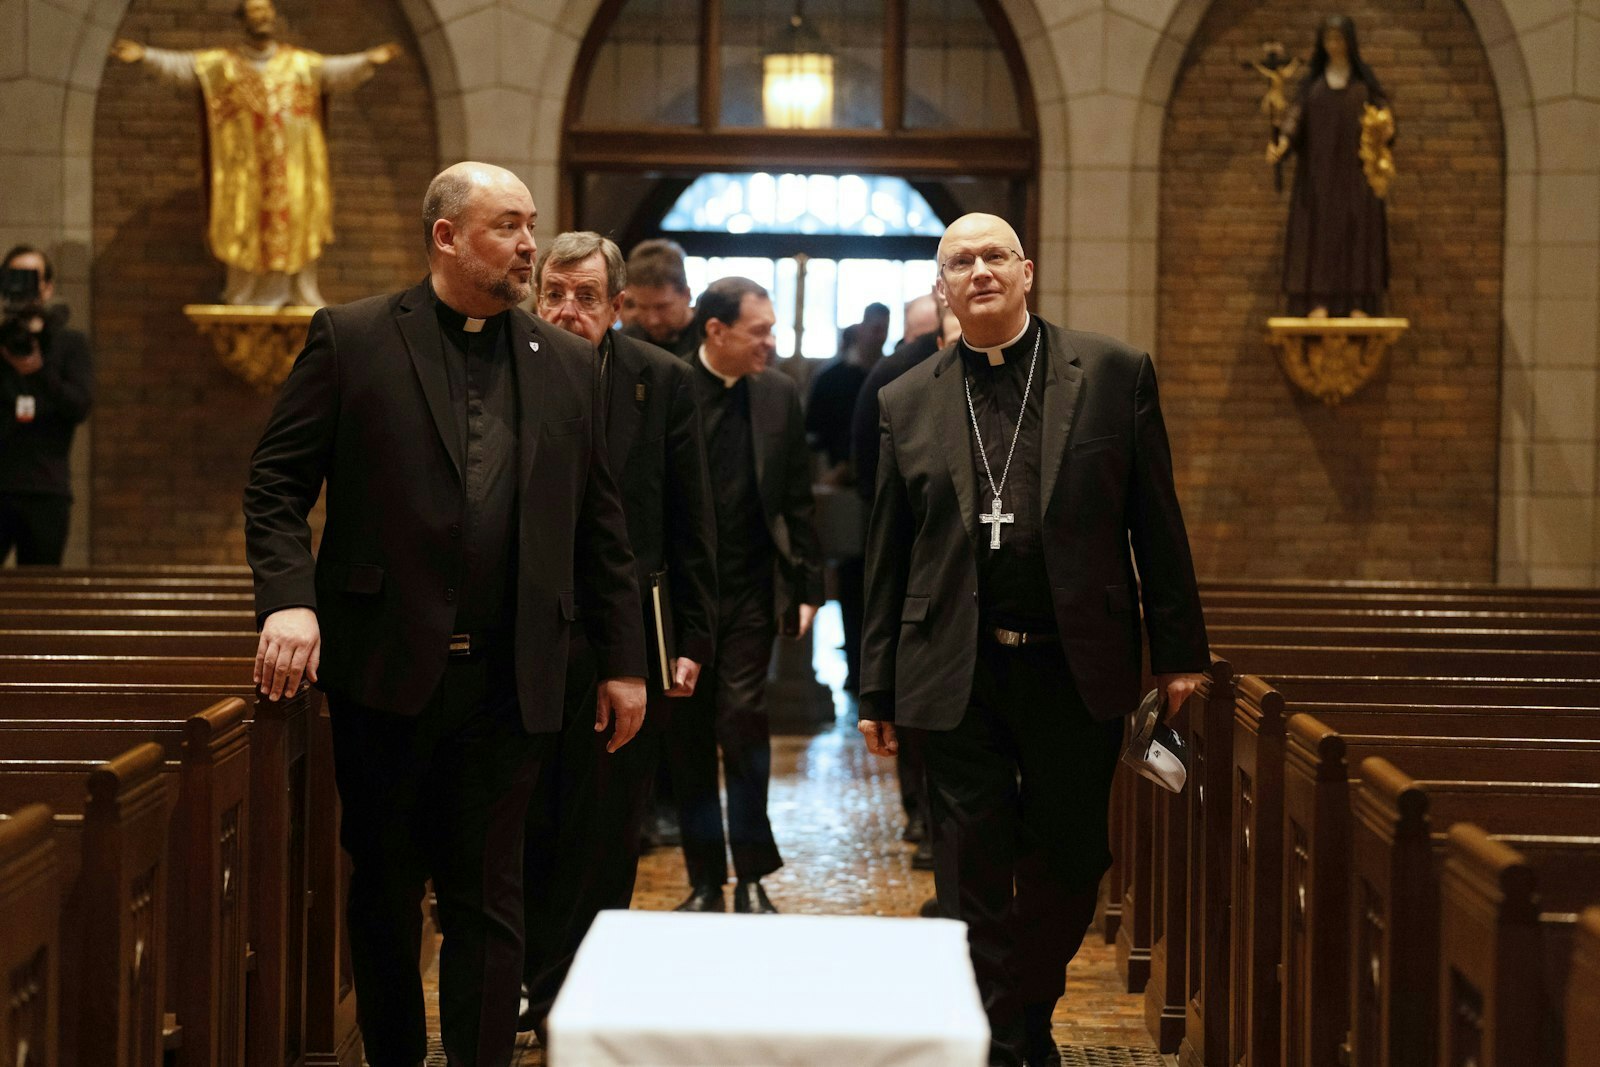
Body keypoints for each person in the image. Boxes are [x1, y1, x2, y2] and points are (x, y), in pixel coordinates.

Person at [243, 162, 647, 1067]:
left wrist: (625, 662)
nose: (529, 244)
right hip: (385, 670)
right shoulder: (352, 340)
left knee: (489, 894)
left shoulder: (569, 364)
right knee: (385, 890)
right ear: (447, 236)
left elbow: (601, 524)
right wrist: (290, 602)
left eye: (530, 225)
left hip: (513, 679)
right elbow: (274, 487)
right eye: (507, 226)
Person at [858, 213, 1208, 1067]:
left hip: (1072, 659)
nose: (978, 271)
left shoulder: (1112, 374)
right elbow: (887, 552)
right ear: (943, 286)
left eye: (994, 256)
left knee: (1072, 855)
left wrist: (1180, 651)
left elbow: (1155, 521)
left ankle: (1023, 1003)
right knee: (969, 871)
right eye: (960, 261)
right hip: (954, 665)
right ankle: (1007, 1041)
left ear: (1027, 272)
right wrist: (874, 687)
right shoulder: (904, 400)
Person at [520, 232, 717, 1034]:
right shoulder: (507, 364)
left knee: (606, 824)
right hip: (527, 634)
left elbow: (689, 517)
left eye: (587, 297)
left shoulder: (658, 381)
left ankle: (579, 983)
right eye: (555, 294)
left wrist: (692, 639)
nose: (569, 311)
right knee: (529, 816)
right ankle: (530, 975)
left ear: (617, 306)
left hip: (628, 635)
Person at [670, 276, 824, 914]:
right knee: (686, 739)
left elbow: (797, 499)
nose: (771, 343)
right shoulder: (670, 386)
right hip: (683, 599)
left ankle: (753, 875)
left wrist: (809, 587)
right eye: (759, 332)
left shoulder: (779, 395)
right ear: (716, 331)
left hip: (752, 590)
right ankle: (705, 880)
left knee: (742, 723)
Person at [111, 0, 400, 307]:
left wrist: (368, 59)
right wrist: (147, 56)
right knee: (242, 221)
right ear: (243, 20)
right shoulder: (224, 65)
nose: (262, 17)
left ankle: (297, 291)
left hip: (293, 170)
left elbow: (335, 70)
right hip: (244, 171)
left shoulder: (299, 64)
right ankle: (244, 292)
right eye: (254, 12)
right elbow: (184, 66)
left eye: (266, 11)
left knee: (298, 219)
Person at [849, 289, 947, 859]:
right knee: (918, 694)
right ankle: (921, 814)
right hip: (911, 554)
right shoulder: (899, 382)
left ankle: (929, 818)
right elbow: (872, 464)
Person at [1266, 14, 1390, 317]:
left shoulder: (1364, 86)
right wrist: (1282, 143)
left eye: (1339, 38)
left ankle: (1358, 301)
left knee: (1358, 235)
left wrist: (1386, 128)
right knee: (1317, 235)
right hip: (1318, 178)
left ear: (1349, 42)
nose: (1334, 45)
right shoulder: (1314, 88)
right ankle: (1317, 299)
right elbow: (1296, 118)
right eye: (1329, 39)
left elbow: (1384, 120)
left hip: (1356, 178)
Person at [0, 246, 93, 566]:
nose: (23, 287)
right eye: (15, 277)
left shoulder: (68, 343)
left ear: (48, 287)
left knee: (40, 584)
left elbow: (80, 405)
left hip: (46, 489)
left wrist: (39, 372)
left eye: (31, 278)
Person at [620, 238, 699, 359]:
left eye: (661, 307)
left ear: (686, 295)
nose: (653, 320)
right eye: (642, 307)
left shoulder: (709, 340)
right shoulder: (625, 343)